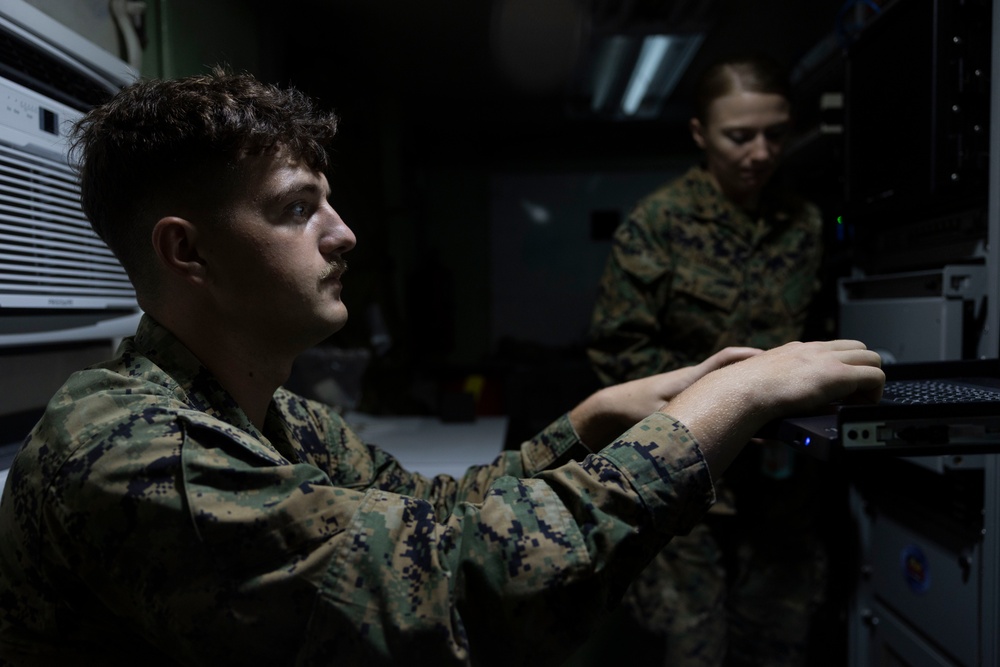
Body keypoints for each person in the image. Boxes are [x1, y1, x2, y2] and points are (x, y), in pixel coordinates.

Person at [0, 67, 882, 666]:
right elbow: (451, 591)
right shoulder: (137, 453)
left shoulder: (266, 412)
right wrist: (735, 397)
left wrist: (592, 420)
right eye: (298, 209)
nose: (345, 234)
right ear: (188, 252)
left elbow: (432, 512)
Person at [587, 53, 828, 666]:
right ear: (701, 134)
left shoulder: (803, 224)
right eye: (739, 136)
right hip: (686, 480)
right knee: (694, 646)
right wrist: (718, 408)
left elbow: (818, 334)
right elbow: (619, 352)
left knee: (777, 642)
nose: (760, 153)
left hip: (782, 484)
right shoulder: (658, 224)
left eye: (776, 134)